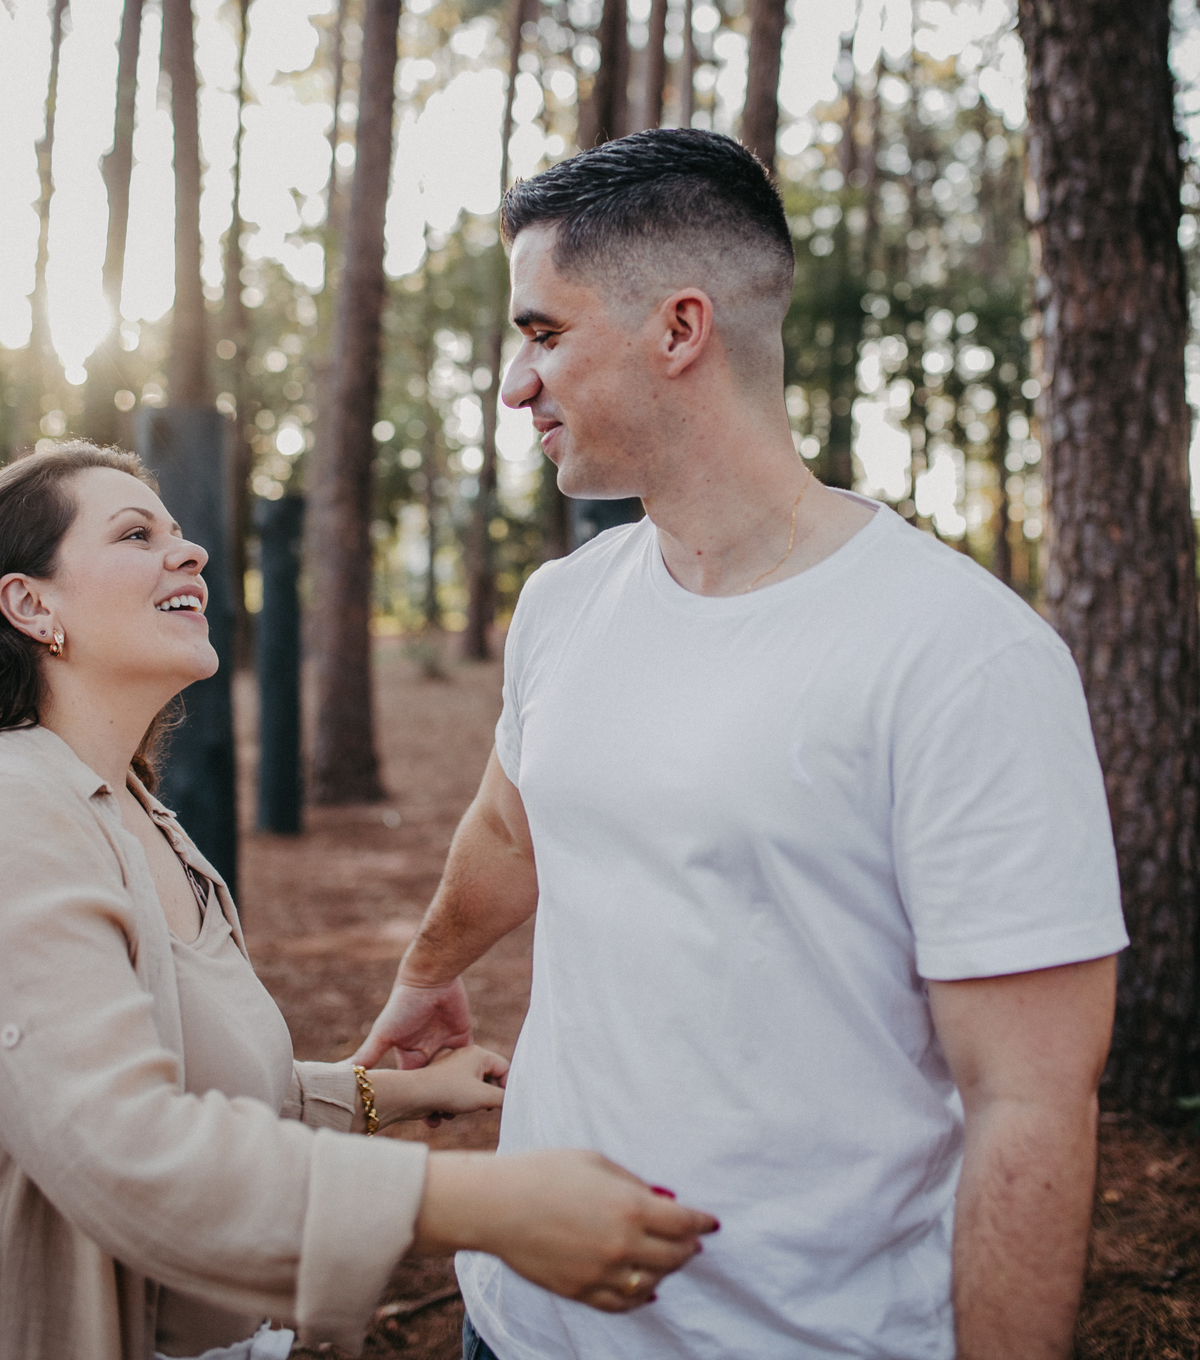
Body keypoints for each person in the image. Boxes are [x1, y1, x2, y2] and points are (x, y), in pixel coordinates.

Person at [356, 128, 1130, 1360]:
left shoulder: (964, 656)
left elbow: (1029, 1103)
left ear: (680, 329)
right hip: (517, 1324)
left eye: (542, 334)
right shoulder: (565, 603)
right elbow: (512, 822)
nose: (515, 384)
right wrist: (426, 971)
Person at [0, 442, 716, 1360]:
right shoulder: (19, 813)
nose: (192, 552)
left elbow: (206, 1091)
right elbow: (126, 1152)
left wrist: (396, 1092)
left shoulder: (137, 812)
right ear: (31, 604)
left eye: (179, 532)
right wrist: (485, 1206)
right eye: (136, 535)